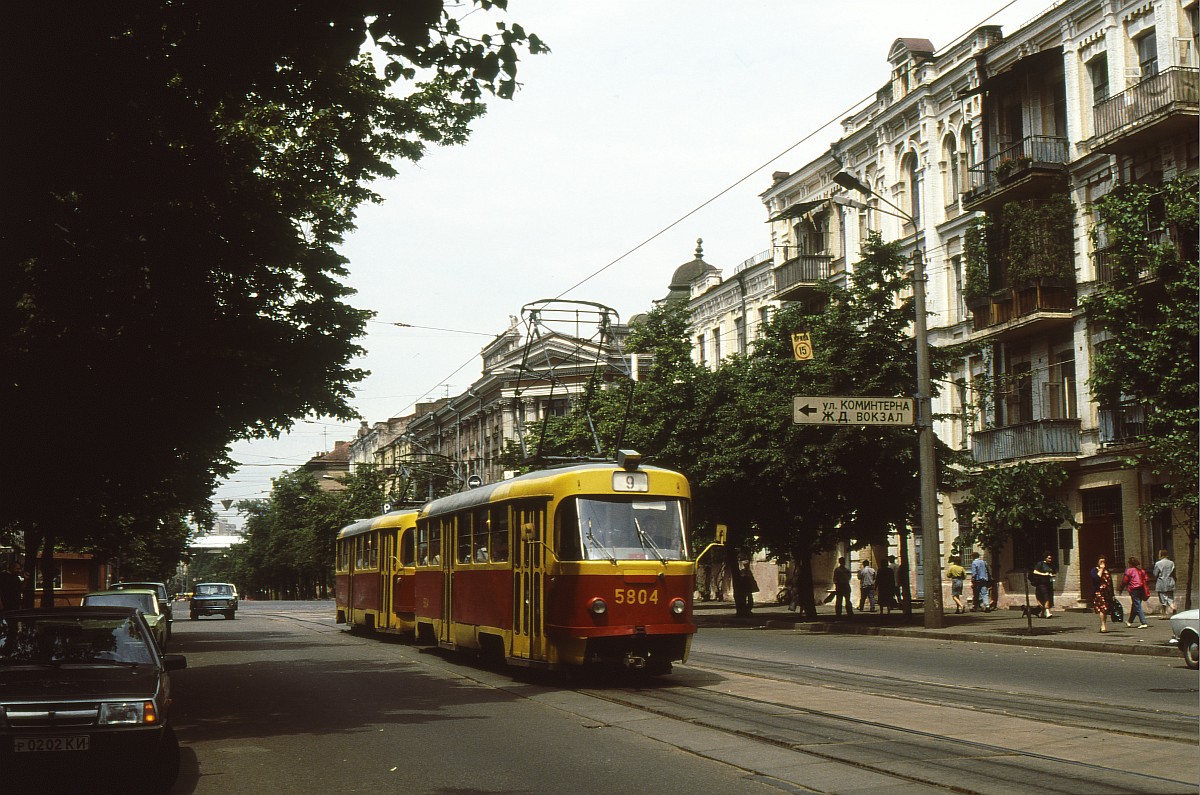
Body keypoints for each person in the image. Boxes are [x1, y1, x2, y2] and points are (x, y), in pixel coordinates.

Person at [1119, 556, 1149, 628]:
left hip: (1134, 589)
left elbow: (1124, 581)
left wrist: (1120, 589)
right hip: (1141, 588)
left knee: (1137, 605)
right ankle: (1130, 621)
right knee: (1135, 604)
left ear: (1130, 564)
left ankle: (1143, 622)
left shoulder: (1129, 571)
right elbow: (1147, 579)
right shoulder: (1141, 571)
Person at [1091, 557, 1115, 633]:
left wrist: (1112, 594)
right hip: (1099, 593)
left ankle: (1104, 624)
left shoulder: (1107, 571)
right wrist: (1101, 569)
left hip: (1107, 593)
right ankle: (1103, 625)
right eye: (1101, 562)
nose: (1102, 563)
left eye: (1103, 562)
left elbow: (1110, 583)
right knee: (1102, 609)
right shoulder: (1094, 570)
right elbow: (1096, 578)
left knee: (1106, 609)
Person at [1031, 552, 1056, 618]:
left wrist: (1052, 575)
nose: (1050, 559)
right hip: (1041, 583)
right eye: (1049, 558)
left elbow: (1054, 572)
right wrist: (1043, 574)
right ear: (1045, 558)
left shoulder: (1051, 565)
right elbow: (1035, 571)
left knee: (1049, 596)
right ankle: (1047, 611)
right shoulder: (1041, 564)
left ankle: (1042, 612)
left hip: (1049, 583)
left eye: (1051, 558)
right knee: (1044, 596)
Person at [1152, 549, 1176, 619]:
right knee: (1170, 598)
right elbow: (1174, 572)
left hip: (1161, 582)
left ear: (1160, 555)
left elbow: (1155, 573)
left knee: (1163, 599)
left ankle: (1164, 614)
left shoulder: (1158, 563)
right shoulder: (1171, 563)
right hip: (1170, 582)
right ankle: (1173, 607)